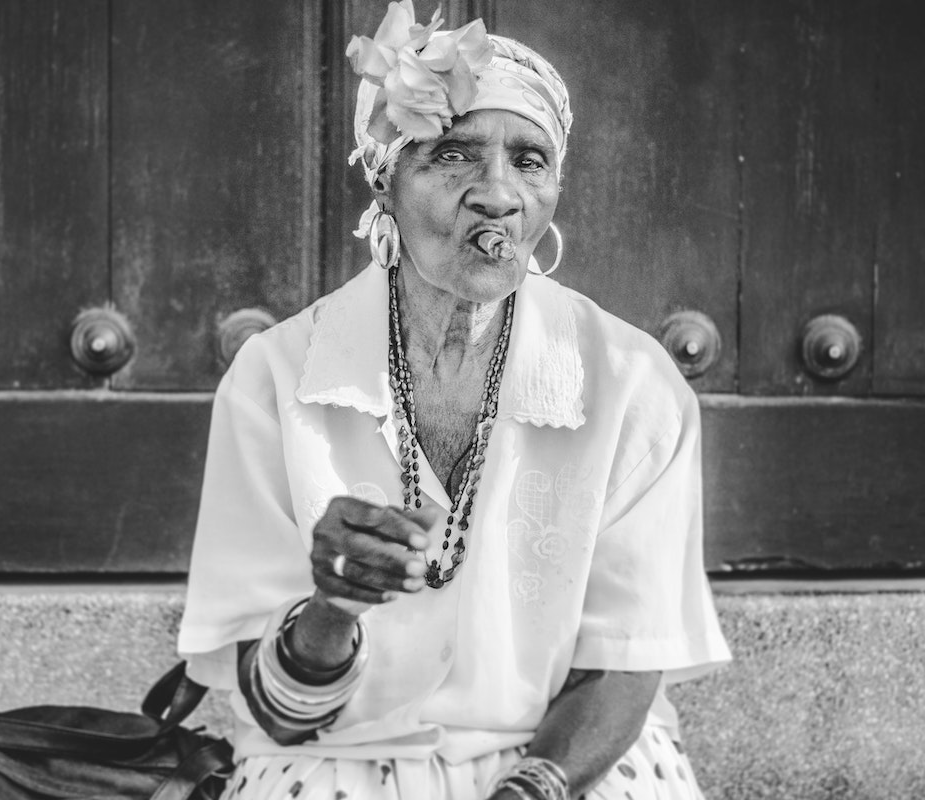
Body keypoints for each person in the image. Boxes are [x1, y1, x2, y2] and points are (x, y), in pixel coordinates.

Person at [178, 3, 731, 799]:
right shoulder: (274, 379)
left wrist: (530, 790)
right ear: (386, 184)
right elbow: (280, 714)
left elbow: (626, 662)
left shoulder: (635, 384)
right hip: (338, 767)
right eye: (453, 155)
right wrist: (332, 607)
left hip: (566, 771)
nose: (497, 196)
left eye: (529, 161)